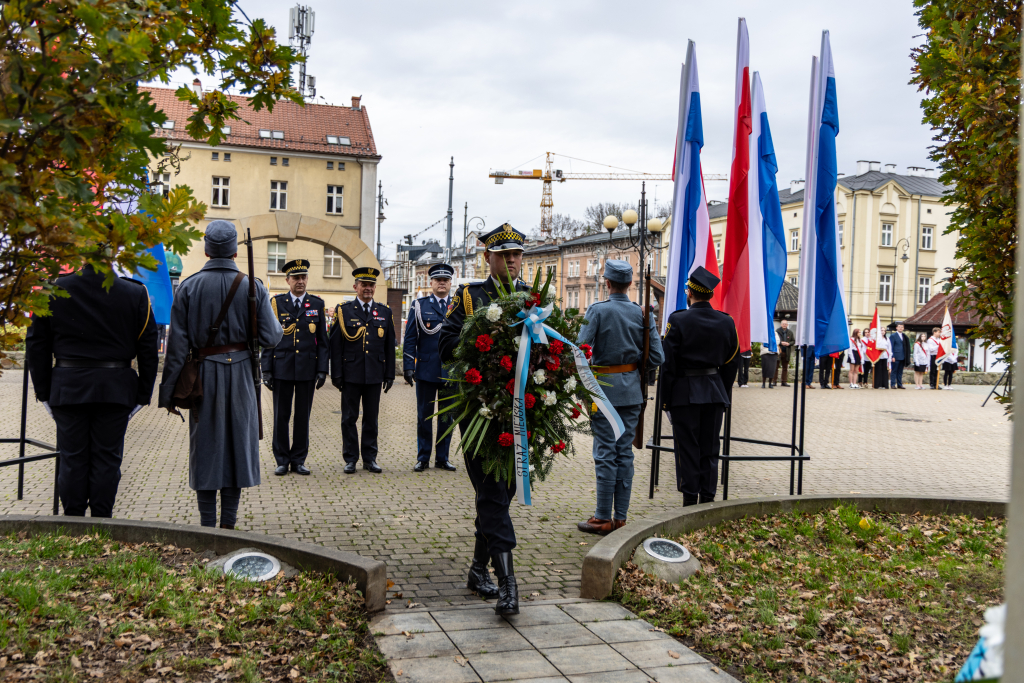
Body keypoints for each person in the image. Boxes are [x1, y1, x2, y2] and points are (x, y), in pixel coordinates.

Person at [159, 221, 282, 528]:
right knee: (238, 446)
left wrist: (168, 393)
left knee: (206, 448)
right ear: (236, 251)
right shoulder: (253, 286)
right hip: (241, 375)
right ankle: (228, 525)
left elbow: (176, 347)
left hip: (204, 377)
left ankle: (207, 526)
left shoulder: (188, 286)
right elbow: (273, 336)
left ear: (206, 249)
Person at [438, 223, 531, 615]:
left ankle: (479, 570)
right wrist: (481, 338)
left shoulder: (531, 297)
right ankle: (508, 583)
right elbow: (445, 344)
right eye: (503, 255)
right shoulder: (469, 297)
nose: (511, 261)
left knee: (501, 493)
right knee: (493, 492)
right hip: (479, 410)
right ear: (488, 259)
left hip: (522, 411)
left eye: (517, 255)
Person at [26, 261, 159, 517]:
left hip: (68, 387)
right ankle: (101, 521)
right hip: (116, 387)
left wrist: (44, 391)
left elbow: (37, 345)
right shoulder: (135, 292)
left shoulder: (53, 289)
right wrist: (143, 394)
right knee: (107, 459)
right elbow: (148, 348)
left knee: (72, 458)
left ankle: (73, 521)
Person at [576, 260, 664, 536]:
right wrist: (634, 363)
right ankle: (621, 518)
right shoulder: (642, 314)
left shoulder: (598, 310)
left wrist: (583, 388)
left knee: (605, 453)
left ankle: (603, 517)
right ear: (629, 285)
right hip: (631, 394)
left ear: (608, 283)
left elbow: (580, 352)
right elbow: (657, 358)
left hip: (603, 391)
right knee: (624, 454)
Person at [660, 266, 739, 507]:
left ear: (689, 293)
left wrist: (666, 399)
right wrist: (722, 392)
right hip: (715, 393)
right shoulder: (726, 322)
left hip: (685, 394)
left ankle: (689, 499)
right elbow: (731, 361)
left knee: (687, 448)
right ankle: (707, 498)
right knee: (710, 448)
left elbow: (668, 363)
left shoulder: (678, 319)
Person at [261, 259, 328, 476]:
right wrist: (267, 369)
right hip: (282, 368)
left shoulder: (317, 304)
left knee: (302, 417)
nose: (300, 281)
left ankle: (298, 459)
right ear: (287, 280)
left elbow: (323, 341)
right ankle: (282, 459)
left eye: (303, 277)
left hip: (307, 369)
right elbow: (269, 339)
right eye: (296, 278)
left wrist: (321, 369)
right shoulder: (276, 303)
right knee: (281, 416)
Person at [328, 267, 395, 475]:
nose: (367, 288)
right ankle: (350, 459)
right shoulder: (344, 310)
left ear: (375, 287)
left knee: (371, 419)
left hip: (374, 373)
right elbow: (336, 345)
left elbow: (389, 346)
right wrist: (336, 374)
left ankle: (369, 458)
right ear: (355, 286)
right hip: (351, 373)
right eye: (363, 284)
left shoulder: (385, 312)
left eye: (371, 285)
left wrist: (389, 374)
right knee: (349, 418)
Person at [403, 263, 457, 473]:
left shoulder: (459, 306)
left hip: (451, 372)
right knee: (424, 416)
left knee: (447, 417)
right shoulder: (419, 306)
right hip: (425, 370)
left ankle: (442, 458)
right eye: (438, 280)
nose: (441, 283)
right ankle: (423, 457)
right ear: (431, 283)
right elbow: (410, 339)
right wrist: (409, 366)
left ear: (450, 283)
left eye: (445, 280)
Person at [889, 323, 911, 390]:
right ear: (896, 328)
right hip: (896, 356)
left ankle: (899, 384)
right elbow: (891, 346)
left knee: (900, 371)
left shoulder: (904, 336)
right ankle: (892, 384)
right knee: (894, 371)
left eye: (902, 327)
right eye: (899, 327)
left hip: (903, 356)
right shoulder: (893, 336)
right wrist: (892, 356)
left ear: (903, 328)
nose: (900, 328)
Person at [776, 319, 795, 386]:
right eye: (783, 324)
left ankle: (784, 382)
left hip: (786, 352)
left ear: (787, 325)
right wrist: (781, 343)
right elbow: (775, 340)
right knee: (776, 367)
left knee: (785, 368)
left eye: (785, 324)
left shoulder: (790, 332)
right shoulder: (777, 331)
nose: (784, 325)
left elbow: (793, 341)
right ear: (781, 324)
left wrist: (789, 343)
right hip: (779, 351)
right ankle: (774, 381)